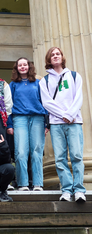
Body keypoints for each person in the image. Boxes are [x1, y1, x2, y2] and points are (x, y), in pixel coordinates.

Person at [39, 47, 86, 202]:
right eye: (52, 55)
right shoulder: (44, 81)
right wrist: (64, 115)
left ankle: (79, 190)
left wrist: (70, 115)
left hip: (74, 122)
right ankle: (66, 189)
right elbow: (47, 102)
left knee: (77, 156)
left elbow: (78, 98)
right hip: (57, 124)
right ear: (49, 59)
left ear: (62, 57)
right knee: (60, 158)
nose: (55, 56)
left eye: (57, 54)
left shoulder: (74, 76)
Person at [6, 58, 47, 192]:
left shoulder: (39, 83)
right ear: (16, 68)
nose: (23, 67)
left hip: (37, 118)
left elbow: (45, 103)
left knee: (36, 151)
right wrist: (9, 124)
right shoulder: (12, 85)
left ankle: (37, 184)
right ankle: (22, 183)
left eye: (25, 64)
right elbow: (8, 106)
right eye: (20, 65)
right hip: (19, 119)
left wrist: (47, 123)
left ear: (29, 67)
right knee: (21, 152)